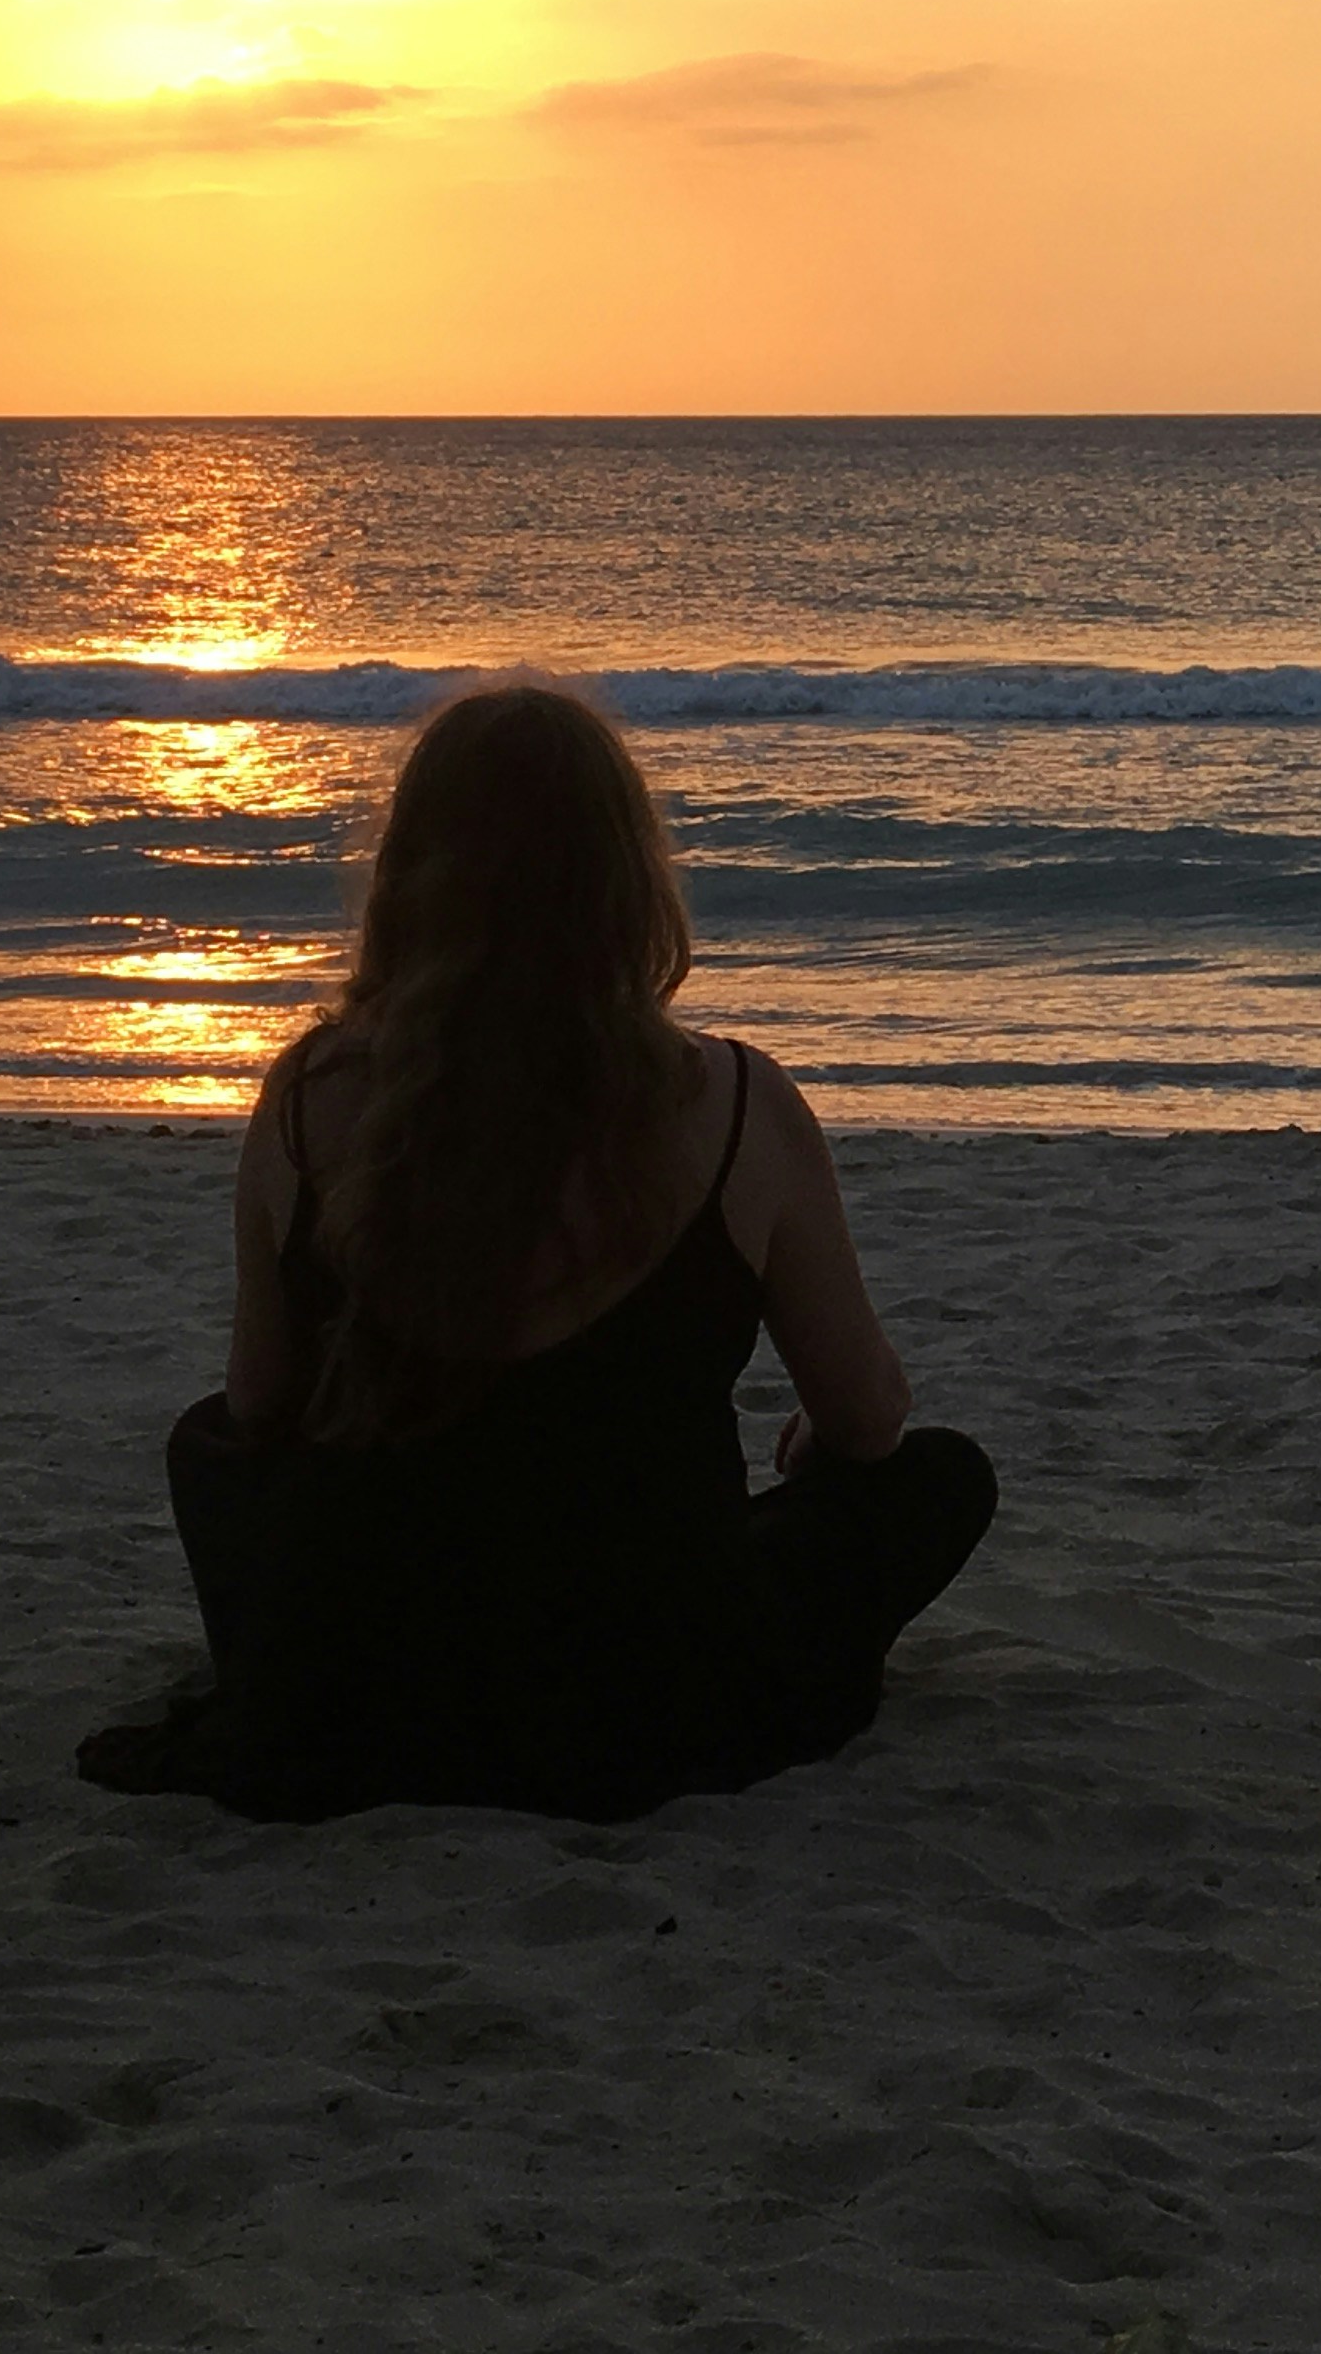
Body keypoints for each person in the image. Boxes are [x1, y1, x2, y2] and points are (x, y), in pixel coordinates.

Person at [76, 684, 995, 1820]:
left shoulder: (312, 1096)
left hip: (381, 1676)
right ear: (626, 881)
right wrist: (815, 1440)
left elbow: (258, 1404)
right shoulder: (737, 1103)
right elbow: (868, 1421)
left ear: (411, 877)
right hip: (648, 1688)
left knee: (205, 1446)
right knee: (939, 1480)